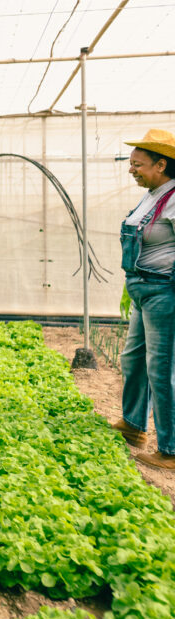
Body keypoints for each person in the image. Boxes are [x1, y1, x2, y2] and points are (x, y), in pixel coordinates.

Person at [112, 129, 175, 470]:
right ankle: (134, 425)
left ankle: (171, 448)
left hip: (164, 293)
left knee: (161, 369)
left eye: (137, 164)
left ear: (161, 164)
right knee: (133, 360)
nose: (131, 169)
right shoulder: (152, 195)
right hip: (143, 291)